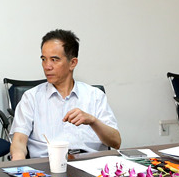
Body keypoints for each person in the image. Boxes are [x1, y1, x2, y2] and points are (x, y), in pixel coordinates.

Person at [9, 29, 121, 160]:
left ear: (72, 63)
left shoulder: (95, 96)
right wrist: (19, 165)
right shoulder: (31, 97)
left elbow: (116, 142)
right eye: (44, 59)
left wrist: (93, 121)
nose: (47, 66)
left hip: (90, 162)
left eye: (54, 60)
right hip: (47, 163)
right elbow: (19, 143)